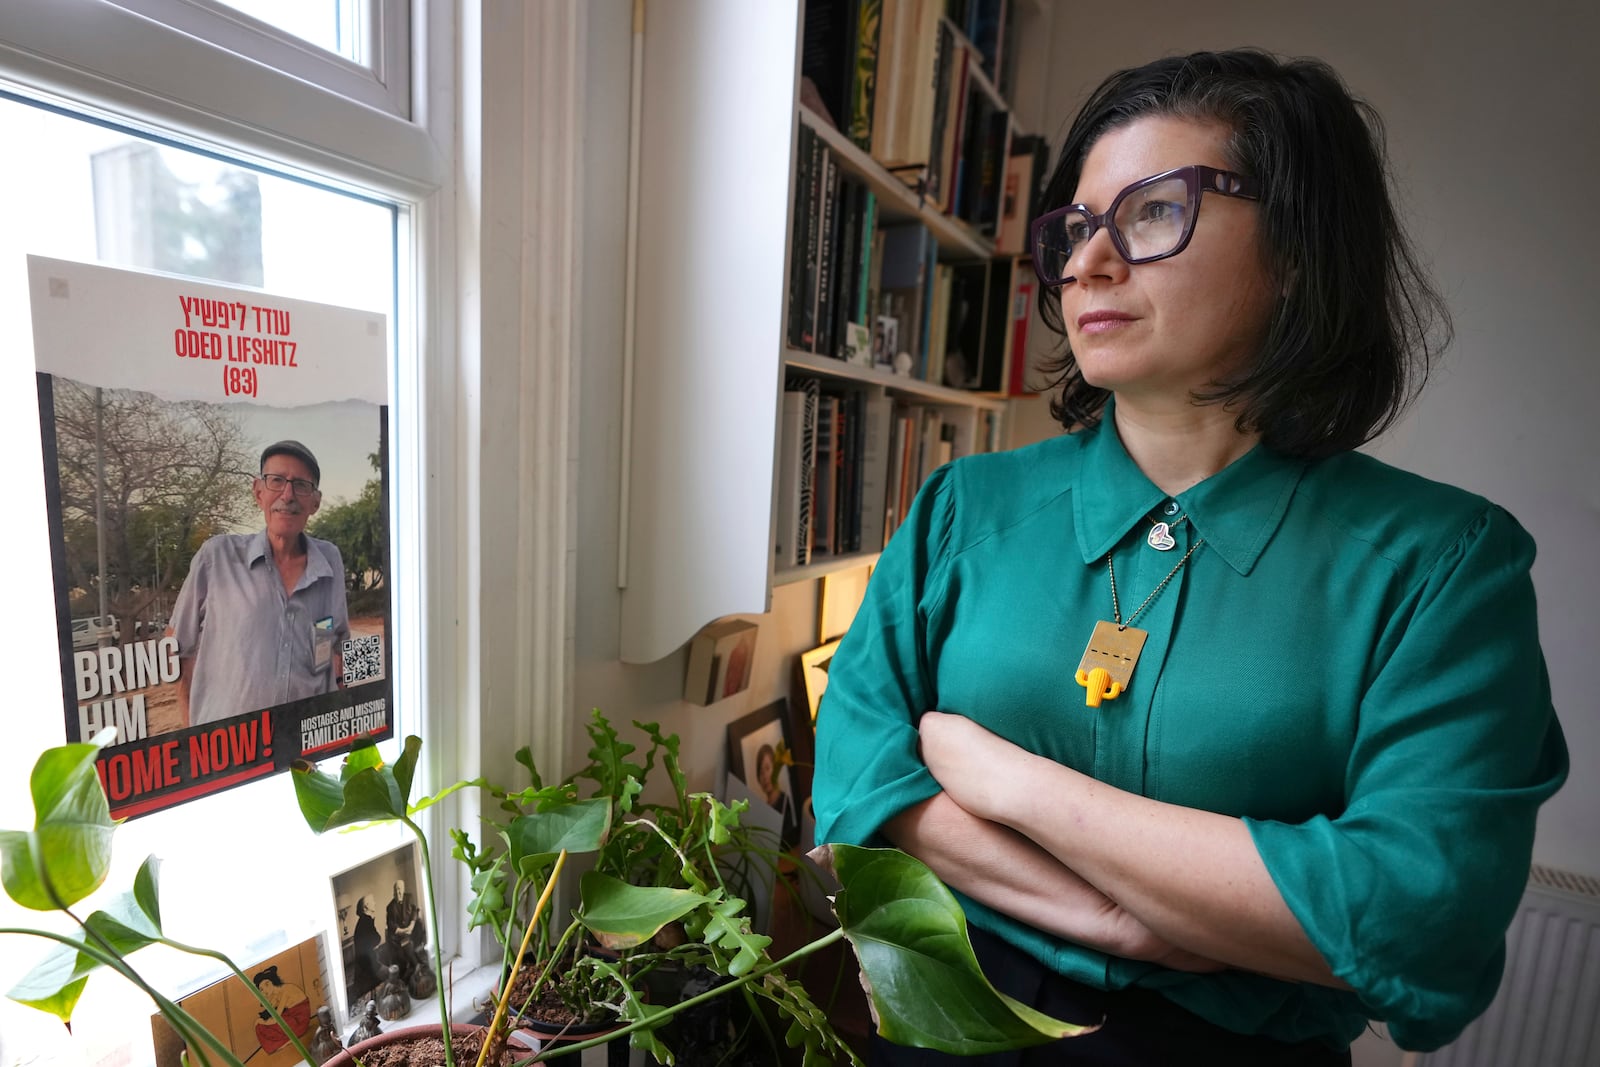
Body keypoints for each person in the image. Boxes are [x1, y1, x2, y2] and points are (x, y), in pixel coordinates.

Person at [811, 49, 1568, 1065]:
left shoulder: (1441, 563)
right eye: (1075, 227)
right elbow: (857, 775)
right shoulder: (963, 504)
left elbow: (1416, 911)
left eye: (1153, 211)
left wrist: (1010, 781)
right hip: (935, 1025)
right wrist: (1121, 917)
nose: (1087, 263)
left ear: (1297, 249)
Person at [168, 440, 349, 726]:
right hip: (229, 750)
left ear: (315, 502)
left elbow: (333, 643)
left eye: (301, 485)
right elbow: (178, 647)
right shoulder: (217, 557)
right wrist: (191, 731)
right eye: (276, 481)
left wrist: (346, 717)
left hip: (306, 745)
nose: (287, 495)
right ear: (258, 492)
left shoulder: (329, 560)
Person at [754, 742, 800, 849]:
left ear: (775, 768)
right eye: (761, 772)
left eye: (767, 768)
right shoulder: (763, 810)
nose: (765, 776)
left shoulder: (786, 802)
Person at [384, 878, 425, 979]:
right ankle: (416, 965)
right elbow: (391, 925)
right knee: (405, 943)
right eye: (397, 890)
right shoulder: (390, 907)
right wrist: (405, 930)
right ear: (393, 892)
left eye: (400, 889)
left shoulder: (409, 897)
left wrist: (411, 925)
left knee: (408, 941)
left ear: (403, 889)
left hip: (412, 930)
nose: (399, 892)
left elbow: (414, 911)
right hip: (400, 935)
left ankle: (414, 965)